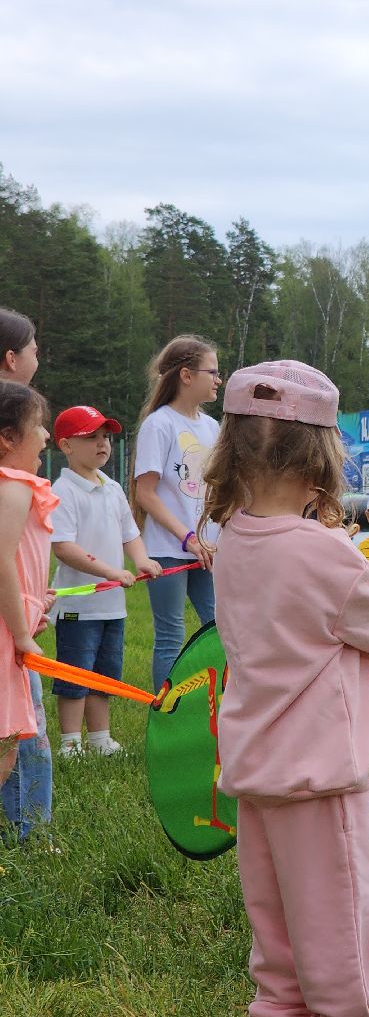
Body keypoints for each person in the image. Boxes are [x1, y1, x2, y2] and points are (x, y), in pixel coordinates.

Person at [204, 360, 369, 1017]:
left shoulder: (231, 540)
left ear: (234, 451)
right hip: (320, 782)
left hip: (255, 776)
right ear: (323, 458)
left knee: (278, 953)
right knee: (339, 947)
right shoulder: (328, 553)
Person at [49, 406, 162, 757]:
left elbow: (131, 533)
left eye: (106, 437)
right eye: (91, 437)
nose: (102, 444)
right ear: (66, 446)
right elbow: (64, 548)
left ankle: (100, 739)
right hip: (78, 610)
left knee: (104, 675)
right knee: (75, 677)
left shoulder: (112, 487)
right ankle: (71, 743)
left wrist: (141, 560)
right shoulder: (63, 490)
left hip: (112, 607)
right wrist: (111, 573)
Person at [132, 335, 221, 691]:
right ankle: (166, 715)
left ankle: (211, 706)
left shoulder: (212, 427)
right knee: (171, 633)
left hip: (209, 550)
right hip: (169, 550)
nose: (218, 379)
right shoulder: (160, 424)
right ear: (186, 375)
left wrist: (213, 536)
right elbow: (145, 494)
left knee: (218, 627)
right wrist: (186, 536)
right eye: (212, 371)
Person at [0, 308, 52, 842]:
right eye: (36, 428)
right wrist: (20, 634)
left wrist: (36, 599)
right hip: (7, 638)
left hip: (14, 625)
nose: (45, 438)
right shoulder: (13, 485)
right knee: (15, 736)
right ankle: (30, 834)